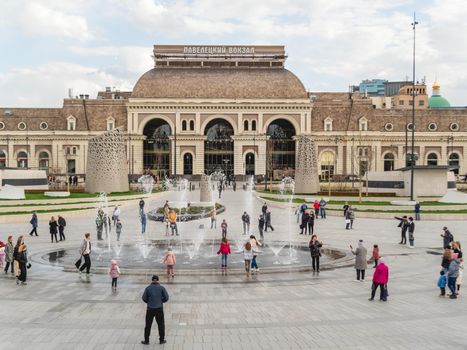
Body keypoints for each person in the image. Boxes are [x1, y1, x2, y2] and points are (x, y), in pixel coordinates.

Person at [141, 275, 169, 345]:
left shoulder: (148, 288)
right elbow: (166, 297)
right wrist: (161, 301)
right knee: (161, 325)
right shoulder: (162, 288)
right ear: (158, 280)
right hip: (159, 309)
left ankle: (146, 341)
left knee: (148, 325)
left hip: (150, 309)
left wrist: (149, 302)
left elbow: (144, 298)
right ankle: (161, 340)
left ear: (152, 280)